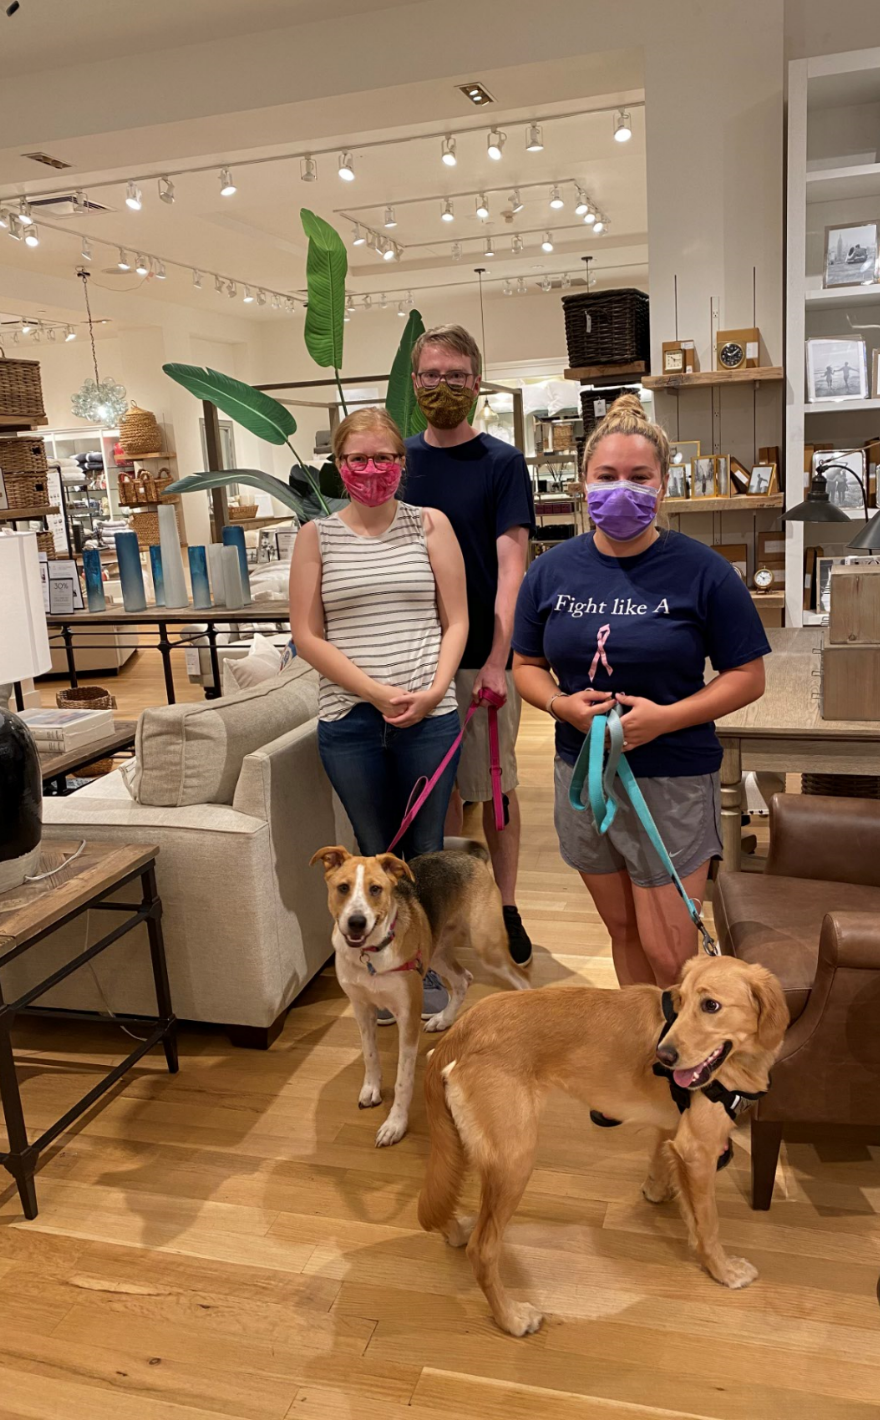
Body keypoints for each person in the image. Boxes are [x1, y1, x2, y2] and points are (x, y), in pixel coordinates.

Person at [512, 394, 770, 992]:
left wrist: (667, 719)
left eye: (638, 477)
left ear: (663, 485)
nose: (621, 489)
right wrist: (559, 705)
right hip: (582, 775)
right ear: (583, 483)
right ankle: (641, 1040)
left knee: (669, 950)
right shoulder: (549, 571)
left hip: (671, 778)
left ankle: (680, 1047)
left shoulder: (703, 571)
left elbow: (747, 676)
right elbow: (525, 665)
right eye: (606, 476)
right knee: (623, 930)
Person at [289, 408, 468, 1017]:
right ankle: (380, 972)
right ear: (339, 465)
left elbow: (457, 619)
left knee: (423, 856)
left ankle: (424, 968)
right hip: (350, 721)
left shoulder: (431, 524)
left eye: (384, 458)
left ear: (401, 462)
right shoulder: (316, 536)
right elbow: (307, 635)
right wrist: (373, 692)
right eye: (357, 459)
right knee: (371, 851)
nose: (371, 470)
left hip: (430, 717)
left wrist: (434, 690)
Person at [403, 324, 536, 968]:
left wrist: (497, 660)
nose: (443, 386)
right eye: (432, 375)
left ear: (476, 383)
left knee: (497, 791)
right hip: (413, 659)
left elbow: (512, 569)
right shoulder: (397, 463)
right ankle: (452, 910)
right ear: (414, 382)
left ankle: (505, 906)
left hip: (481, 656)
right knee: (440, 794)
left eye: (455, 376)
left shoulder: (502, 464)